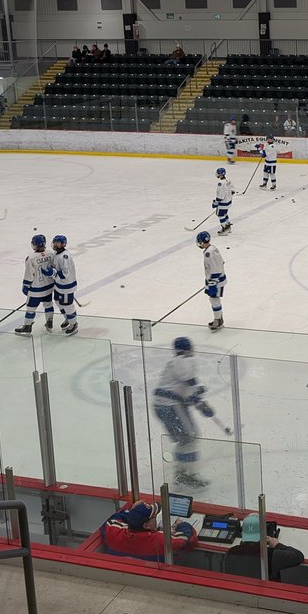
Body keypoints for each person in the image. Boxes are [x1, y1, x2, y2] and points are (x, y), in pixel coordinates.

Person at [153, 337, 229, 491]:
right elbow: (188, 380)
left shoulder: (175, 362)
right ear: (189, 348)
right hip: (170, 406)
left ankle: (182, 473)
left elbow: (186, 390)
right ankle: (186, 475)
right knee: (190, 437)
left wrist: (200, 403)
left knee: (185, 439)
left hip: (164, 405)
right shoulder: (183, 360)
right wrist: (199, 392)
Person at [101, 500, 196, 562]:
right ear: (146, 525)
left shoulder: (113, 532)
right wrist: (181, 524)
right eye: (154, 517)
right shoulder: (160, 540)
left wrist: (132, 511)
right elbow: (187, 540)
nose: (156, 519)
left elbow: (114, 518)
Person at [226, 514, 305, 582]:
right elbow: (298, 556)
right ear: (264, 535)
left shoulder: (230, 552)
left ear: (242, 534)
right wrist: (277, 545)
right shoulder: (270, 555)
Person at [13, 234, 56, 335]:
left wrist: (26, 286)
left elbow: (29, 275)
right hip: (49, 287)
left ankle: (27, 327)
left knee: (31, 308)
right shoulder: (51, 254)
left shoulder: (31, 258)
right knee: (48, 305)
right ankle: (50, 324)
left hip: (36, 290)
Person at [196, 231, 226, 330]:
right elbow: (221, 262)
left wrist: (213, 283)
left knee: (214, 300)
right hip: (215, 279)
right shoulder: (212, 248)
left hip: (216, 280)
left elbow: (214, 269)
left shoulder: (209, 253)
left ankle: (218, 320)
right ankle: (219, 318)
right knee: (213, 299)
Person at [51, 235, 79, 335]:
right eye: (54, 242)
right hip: (59, 285)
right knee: (58, 301)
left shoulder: (64, 256)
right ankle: (68, 318)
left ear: (63, 244)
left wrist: (52, 273)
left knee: (67, 306)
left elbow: (65, 275)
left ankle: (73, 324)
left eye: (58, 242)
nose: (55, 244)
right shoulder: (56, 254)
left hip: (67, 286)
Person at [214, 168, 233, 235]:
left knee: (220, 215)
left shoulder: (220, 183)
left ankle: (225, 228)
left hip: (223, 203)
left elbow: (221, 195)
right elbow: (233, 190)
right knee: (225, 214)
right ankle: (228, 227)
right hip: (228, 202)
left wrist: (216, 202)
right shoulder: (228, 180)